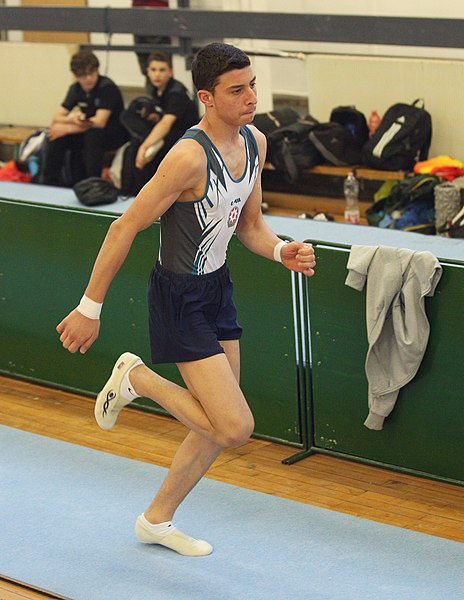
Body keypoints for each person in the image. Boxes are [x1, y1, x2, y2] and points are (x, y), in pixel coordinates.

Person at [56, 42, 316, 557]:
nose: (250, 97)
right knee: (234, 426)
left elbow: (251, 226)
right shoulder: (187, 157)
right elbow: (124, 226)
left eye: (252, 85)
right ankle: (138, 379)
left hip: (217, 289)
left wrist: (281, 249)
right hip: (178, 296)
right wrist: (90, 308)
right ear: (206, 97)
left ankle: (156, 519)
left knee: (214, 423)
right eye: (236, 90)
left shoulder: (257, 142)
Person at [43, 50, 129, 187]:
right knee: (54, 134)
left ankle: (92, 183)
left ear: (97, 70)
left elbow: (100, 122)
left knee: (92, 135)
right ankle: (49, 182)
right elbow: (57, 117)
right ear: (75, 75)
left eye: (92, 73)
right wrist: (71, 119)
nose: (88, 78)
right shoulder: (75, 89)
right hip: (86, 129)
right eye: (83, 75)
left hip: (113, 133)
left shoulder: (107, 87)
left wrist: (68, 128)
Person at [120, 51, 199, 196]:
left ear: (170, 72)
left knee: (139, 150)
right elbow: (163, 118)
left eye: (162, 70)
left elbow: (167, 124)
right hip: (168, 132)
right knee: (128, 120)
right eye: (153, 70)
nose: (157, 75)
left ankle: (143, 195)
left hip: (183, 137)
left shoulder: (176, 92)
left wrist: (145, 146)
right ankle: (129, 192)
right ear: (148, 72)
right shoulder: (156, 90)